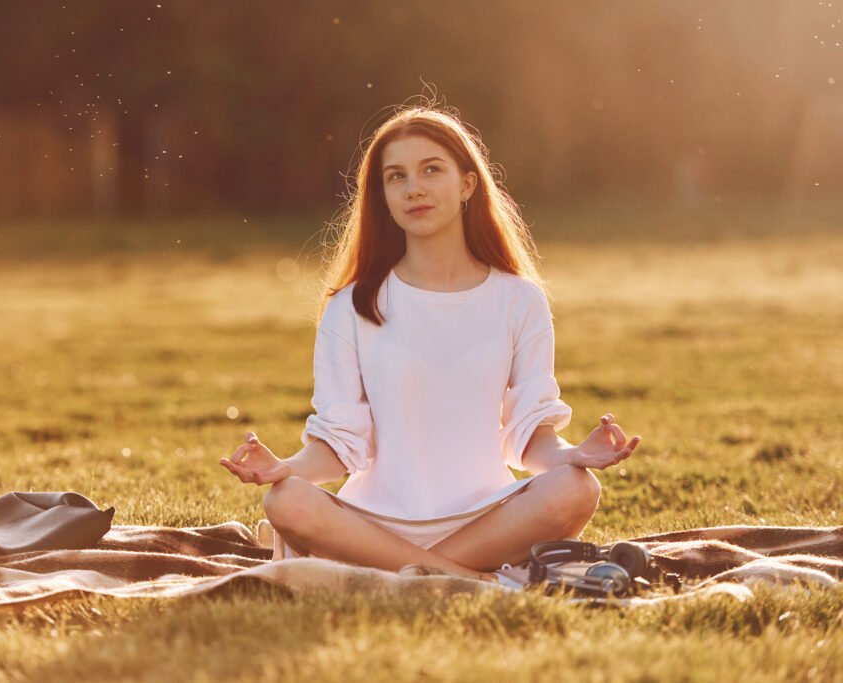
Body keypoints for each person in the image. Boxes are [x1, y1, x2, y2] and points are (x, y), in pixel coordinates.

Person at [219, 103, 641, 584]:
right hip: (371, 522)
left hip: (485, 519)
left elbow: (527, 436)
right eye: (395, 177)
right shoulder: (351, 306)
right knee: (286, 499)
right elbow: (340, 443)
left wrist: (572, 456)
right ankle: (471, 579)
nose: (413, 188)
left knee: (575, 490)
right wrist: (284, 467)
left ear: (466, 184)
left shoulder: (519, 301)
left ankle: (406, 572)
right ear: (382, 197)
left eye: (431, 170)